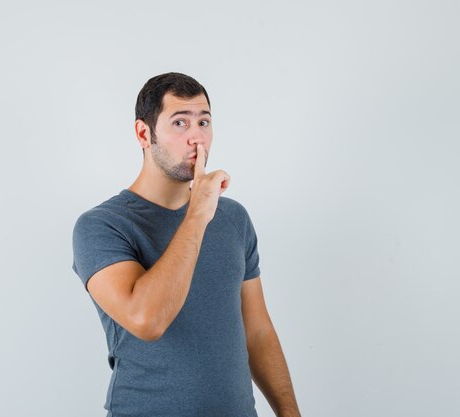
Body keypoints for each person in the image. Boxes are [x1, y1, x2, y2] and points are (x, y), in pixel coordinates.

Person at [71, 72, 301, 417]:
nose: (197, 138)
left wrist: (290, 413)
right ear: (143, 134)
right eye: (180, 123)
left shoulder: (233, 218)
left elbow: (257, 330)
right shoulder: (102, 225)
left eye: (203, 121)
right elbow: (147, 320)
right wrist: (197, 214)